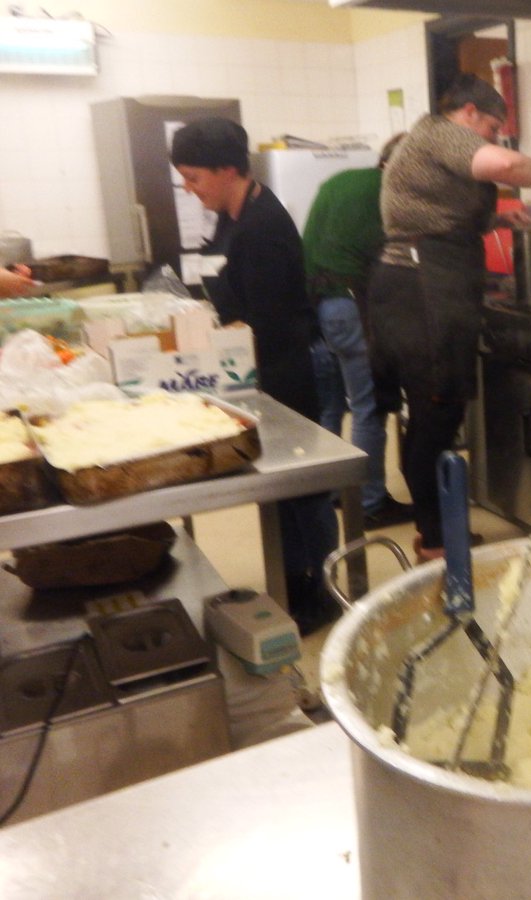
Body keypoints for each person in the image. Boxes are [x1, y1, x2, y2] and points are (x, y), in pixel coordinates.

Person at [370, 74, 531, 561]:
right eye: (492, 127)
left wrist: (497, 219)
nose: (492, 138)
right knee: (436, 414)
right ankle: (435, 540)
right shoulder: (440, 131)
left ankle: (434, 531)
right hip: (420, 289)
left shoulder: (427, 142)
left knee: (437, 412)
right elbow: (508, 164)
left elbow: (436, 212)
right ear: (469, 113)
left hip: (419, 285)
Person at [170, 117, 340, 636]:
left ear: (228, 170)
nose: (190, 190)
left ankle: (320, 591)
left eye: (195, 178)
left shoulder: (264, 226)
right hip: (256, 370)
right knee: (277, 491)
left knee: (301, 489)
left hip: (287, 370)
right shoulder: (226, 218)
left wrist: (220, 340)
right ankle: (294, 580)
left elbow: (270, 322)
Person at [304, 132, 414, 530]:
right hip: (353, 309)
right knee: (370, 405)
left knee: (332, 406)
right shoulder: (387, 194)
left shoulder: (338, 181)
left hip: (320, 308)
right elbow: (394, 262)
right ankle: (369, 501)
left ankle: (335, 489)